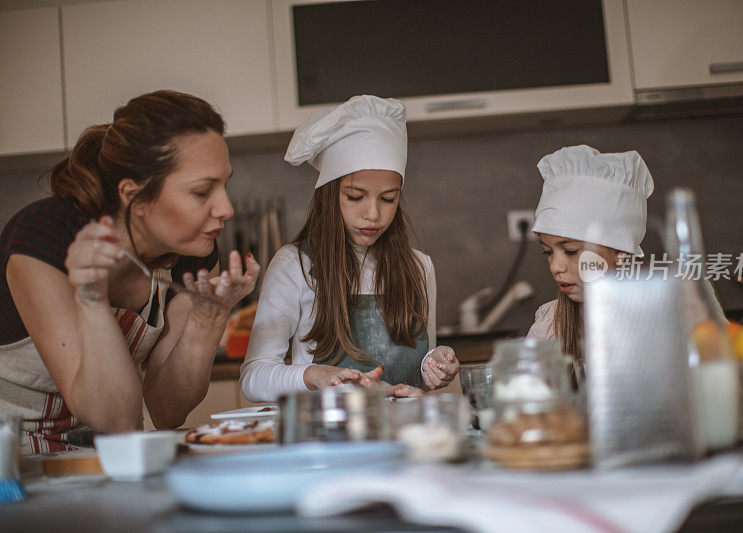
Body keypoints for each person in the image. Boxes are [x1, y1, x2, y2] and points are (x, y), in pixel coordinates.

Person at [0, 90, 259, 454]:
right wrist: (91, 298)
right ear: (133, 195)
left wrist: (208, 317)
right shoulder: (45, 239)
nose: (226, 208)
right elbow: (111, 417)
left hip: (112, 455)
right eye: (202, 192)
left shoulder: (190, 252)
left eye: (224, 184)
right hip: (14, 462)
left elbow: (167, 411)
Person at [240, 95, 458, 402]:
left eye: (388, 198)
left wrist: (436, 363)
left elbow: (420, 363)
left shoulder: (419, 267)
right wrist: (316, 375)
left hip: (409, 440)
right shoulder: (294, 265)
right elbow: (253, 376)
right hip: (329, 441)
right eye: (355, 197)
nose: (373, 214)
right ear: (330, 195)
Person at [526, 145, 724, 382]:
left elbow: (721, 382)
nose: (555, 267)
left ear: (620, 251)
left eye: (570, 251)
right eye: (548, 252)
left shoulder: (681, 305)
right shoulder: (550, 325)